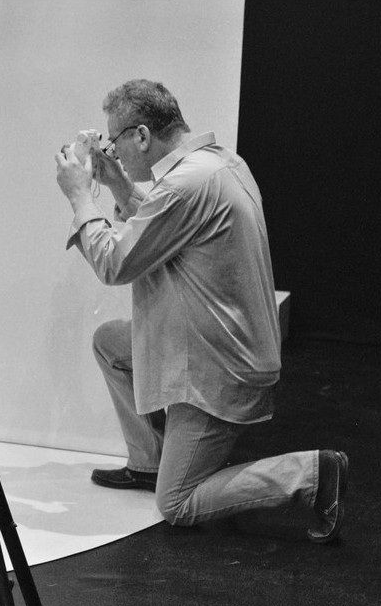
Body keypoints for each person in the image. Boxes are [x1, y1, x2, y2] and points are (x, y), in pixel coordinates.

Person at [54, 79, 348, 543]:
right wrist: (118, 183)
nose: (114, 152)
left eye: (116, 142)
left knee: (177, 503)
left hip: (217, 369)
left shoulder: (184, 185)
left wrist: (80, 197)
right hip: (226, 346)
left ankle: (311, 473)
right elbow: (164, 224)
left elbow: (115, 264)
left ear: (142, 136)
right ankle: (150, 462)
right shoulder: (218, 164)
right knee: (111, 343)